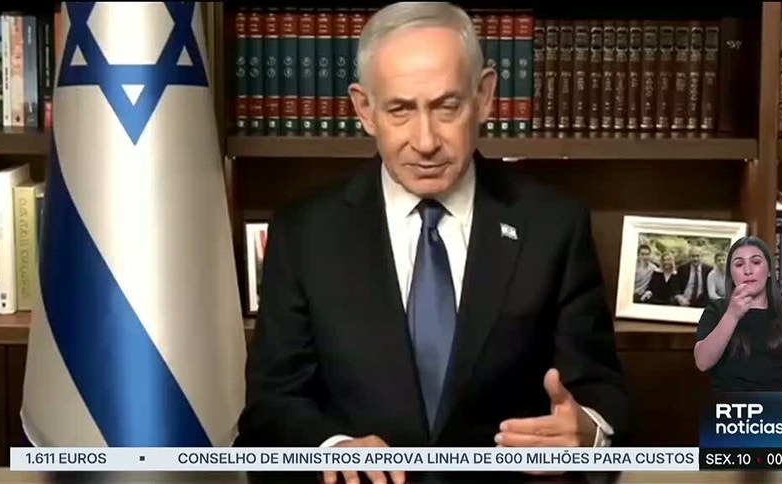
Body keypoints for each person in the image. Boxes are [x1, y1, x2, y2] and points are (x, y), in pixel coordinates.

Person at [235, 3, 628, 482]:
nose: (425, 141)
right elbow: (271, 405)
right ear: (365, 109)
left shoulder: (553, 224)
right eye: (400, 109)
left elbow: (600, 392)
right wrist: (330, 448)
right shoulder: (305, 231)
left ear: (484, 96)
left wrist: (589, 433)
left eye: (447, 107)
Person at [693, 236, 782, 392]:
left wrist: (779, 403)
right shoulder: (716, 310)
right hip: (730, 404)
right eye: (739, 264)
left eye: (756, 262)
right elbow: (703, 362)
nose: (748, 270)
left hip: (780, 402)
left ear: (770, 270)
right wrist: (732, 315)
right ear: (731, 274)